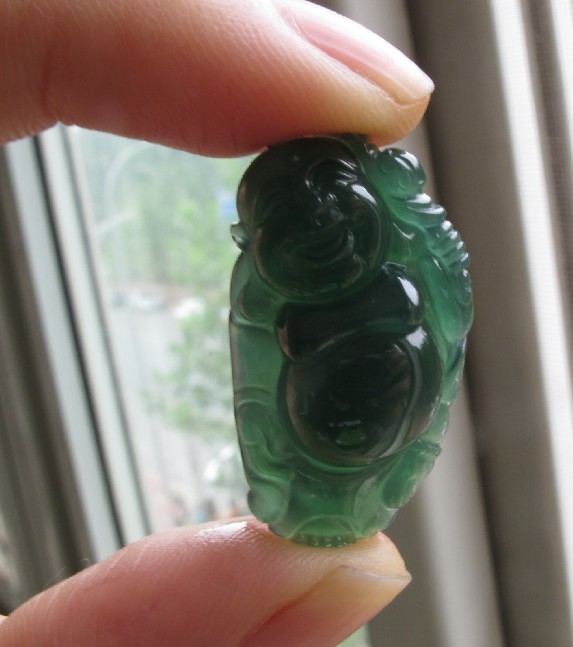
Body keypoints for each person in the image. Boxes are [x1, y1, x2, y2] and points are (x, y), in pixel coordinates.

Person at [0, 0, 433, 644]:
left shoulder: (397, 279)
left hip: (374, 424)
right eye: (291, 224)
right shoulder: (286, 297)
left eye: (336, 209)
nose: (318, 226)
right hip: (322, 431)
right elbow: (267, 346)